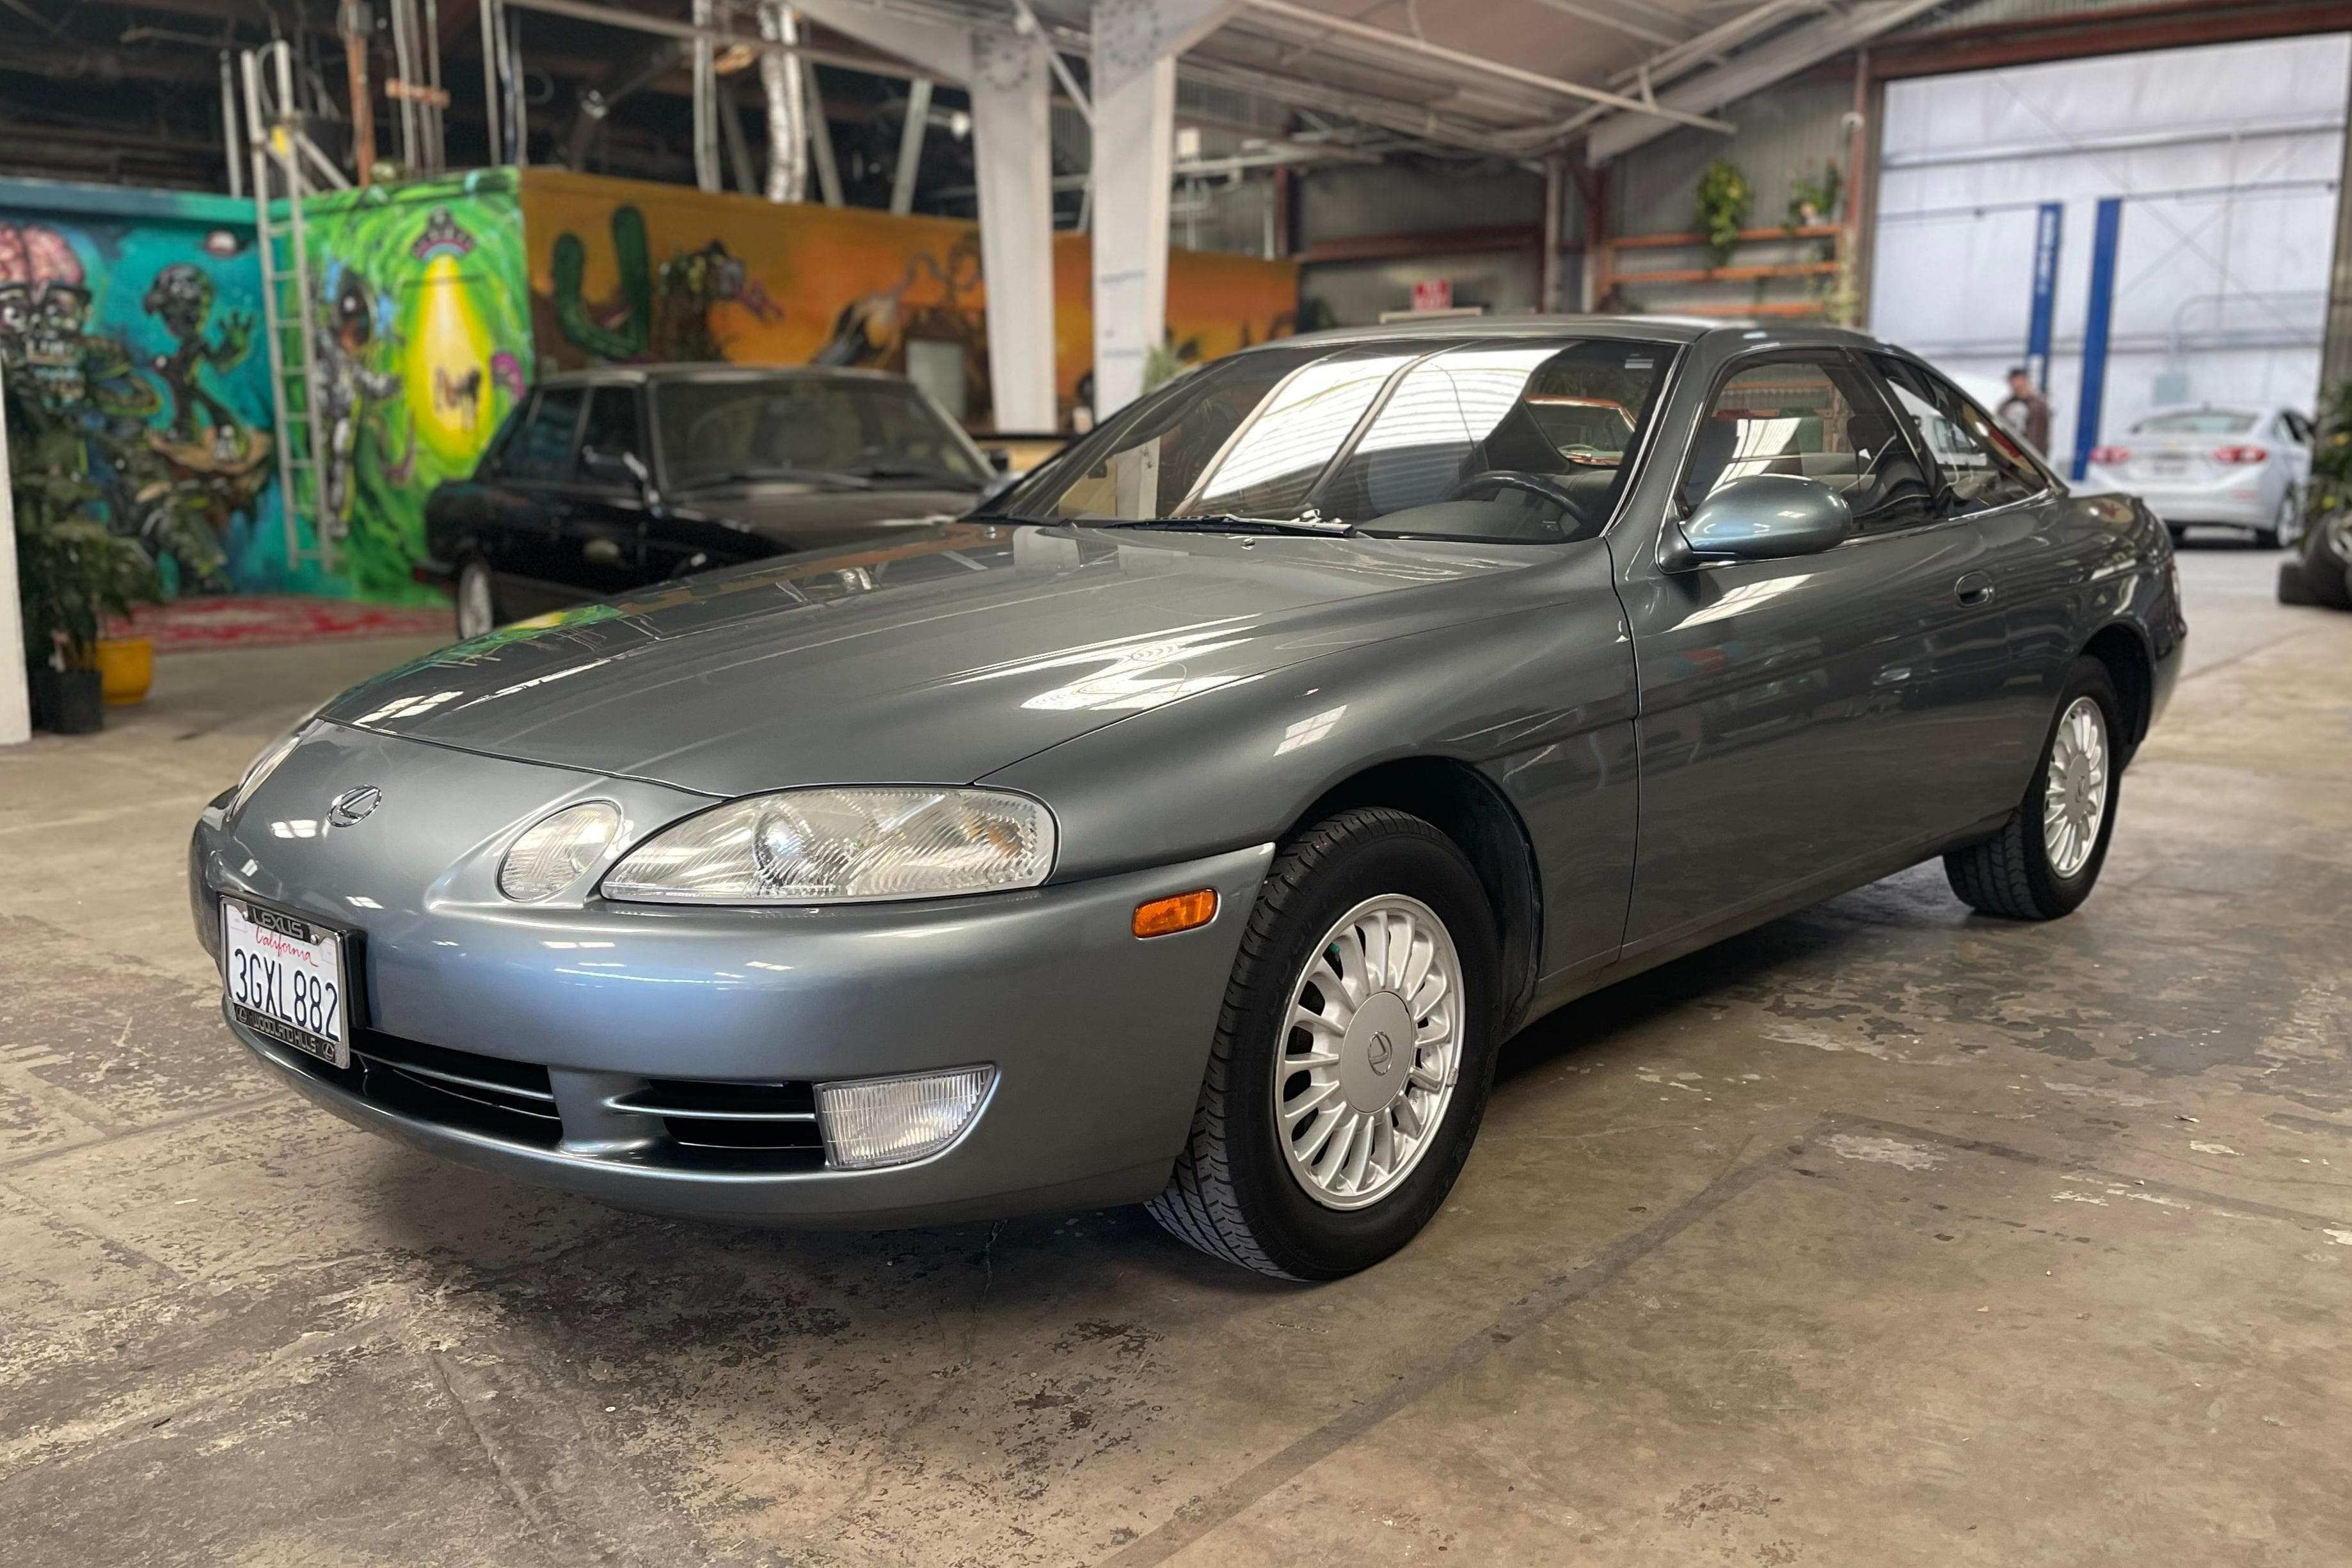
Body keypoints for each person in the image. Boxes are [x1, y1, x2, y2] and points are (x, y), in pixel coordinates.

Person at [1998, 366, 2052, 455]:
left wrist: (2036, 456)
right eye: (2012, 381)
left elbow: (2040, 434)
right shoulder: (2006, 405)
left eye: (2017, 380)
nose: (2014, 384)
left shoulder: (2038, 405)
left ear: (2025, 380)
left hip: (2030, 454)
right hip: (2008, 452)